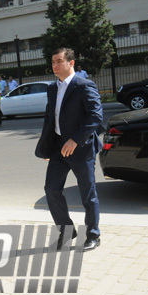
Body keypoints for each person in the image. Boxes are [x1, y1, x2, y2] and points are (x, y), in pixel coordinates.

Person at [35, 48, 103, 252]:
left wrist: (75, 140)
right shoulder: (52, 89)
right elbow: (51, 118)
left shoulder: (84, 86)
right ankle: (67, 231)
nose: (55, 66)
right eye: (53, 62)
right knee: (52, 190)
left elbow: (95, 116)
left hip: (80, 148)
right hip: (58, 148)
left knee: (87, 194)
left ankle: (93, 235)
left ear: (71, 63)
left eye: (59, 61)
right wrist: (47, 148)